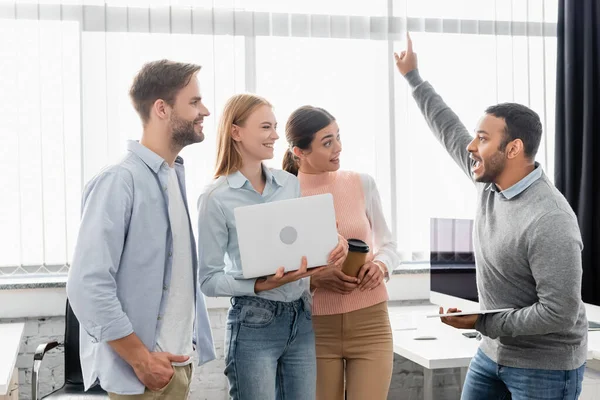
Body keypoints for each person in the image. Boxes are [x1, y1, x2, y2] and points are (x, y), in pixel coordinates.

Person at [394, 33, 588, 399]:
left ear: (513, 148)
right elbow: (449, 129)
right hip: (491, 353)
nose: (471, 146)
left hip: (544, 367)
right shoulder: (489, 183)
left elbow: (558, 313)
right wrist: (413, 78)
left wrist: (484, 321)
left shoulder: (551, 218)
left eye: (482, 138)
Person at [67, 60, 216, 399]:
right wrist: (142, 361)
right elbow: (86, 284)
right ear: (162, 109)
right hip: (144, 378)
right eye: (194, 102)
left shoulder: (172, 176)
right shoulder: (120, 181)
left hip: (176, 367)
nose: (204, 110)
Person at [197, 93, 348, 400]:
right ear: (236, 132)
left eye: (276, 126)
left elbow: (300, 241)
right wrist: (260, 284)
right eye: (266, 127)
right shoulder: (216, 198)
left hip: (302, 316)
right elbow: (208, 281)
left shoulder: (289, 183)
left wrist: (334, 243)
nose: (276, 135)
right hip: (254, 321)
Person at [282, 105, 400, 400]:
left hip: (371, 322)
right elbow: (275, 269)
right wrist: (314, 280)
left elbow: (388, 244)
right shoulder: (284, 193)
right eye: (327, 142)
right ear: (300, 152)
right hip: (315, 328)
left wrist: (382, 266)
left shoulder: (361, 182)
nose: (338, 147)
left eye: (338, 137)